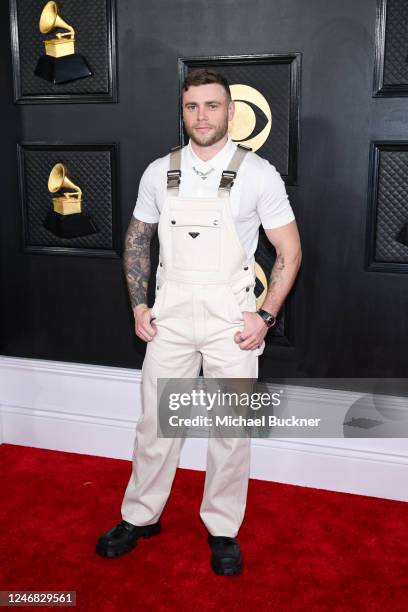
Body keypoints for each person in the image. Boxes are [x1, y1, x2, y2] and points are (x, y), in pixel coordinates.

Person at [96, 68, 302, 575]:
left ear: (231, 111)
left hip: (232, 320)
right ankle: (140, 516)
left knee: (230, 429)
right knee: (155, 425)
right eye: (192, 107)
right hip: (170, 316)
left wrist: (265, 316)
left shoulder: (258, 174)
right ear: (182, 112)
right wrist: (139, 306)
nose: (202, 115)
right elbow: (138, 240)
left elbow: (290, 252)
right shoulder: (157, 172)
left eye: (212, 106)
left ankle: (223, 528)